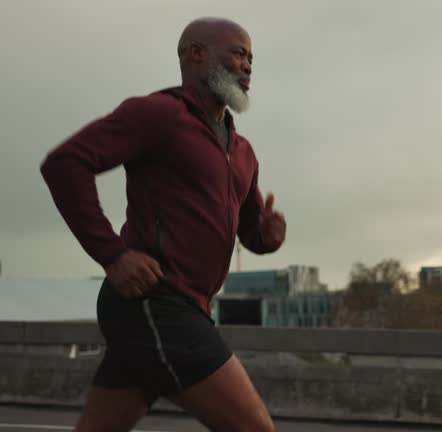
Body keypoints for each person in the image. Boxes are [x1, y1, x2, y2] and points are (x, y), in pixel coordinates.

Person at [40, 17, 286, 432]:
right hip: (154, 302)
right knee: (254, 429)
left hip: (185, 307)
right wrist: (112, 254)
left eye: (251, 59)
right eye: (238, 53)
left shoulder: (242, 151)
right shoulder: (159, 114)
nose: (248, 66)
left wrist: (267, 237)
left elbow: (249, 233)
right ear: (197, 54)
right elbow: (65, 164)